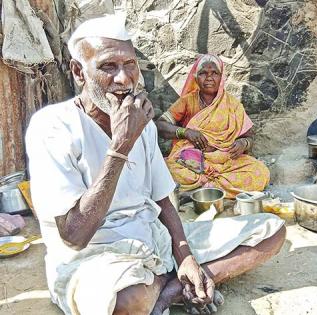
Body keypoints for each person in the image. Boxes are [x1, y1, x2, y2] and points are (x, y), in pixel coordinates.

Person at [25, 15, 286, 315]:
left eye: (130, 65)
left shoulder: (143, 123)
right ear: (78, 72)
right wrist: (121, 144)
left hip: (154, 240)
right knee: (125, 302)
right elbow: (74, 236)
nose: (124, 79)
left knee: (271, 230)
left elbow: (163, 199)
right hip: (94, 257)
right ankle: (177, 286)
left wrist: (184, 254)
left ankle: (171, 289)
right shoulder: (52, 126)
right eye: (108, 66)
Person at [156, 54, 270, 199]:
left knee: (260, 171)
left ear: (221, 78)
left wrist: (243, 143)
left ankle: (198, 190)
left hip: (226, 162)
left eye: (214, 73)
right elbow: (160, 125)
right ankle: (216, 189)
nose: (209, 77)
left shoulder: (232, 104)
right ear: (196, 78)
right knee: (166, 169)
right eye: (203, 73)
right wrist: (186, 132)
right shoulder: (187, 101)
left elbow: (249, 136)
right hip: (193, 162)